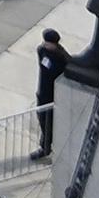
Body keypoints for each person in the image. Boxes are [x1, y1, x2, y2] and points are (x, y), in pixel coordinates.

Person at [29, 28, 68, 161]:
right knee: (42, 119)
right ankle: (45, 145)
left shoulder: (61, 57)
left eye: (48, 42)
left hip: (53, 95)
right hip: (43, 92)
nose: (44, 44)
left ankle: (45, 147)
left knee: (49, 123)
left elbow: (57, 69)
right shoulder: (42, 51)